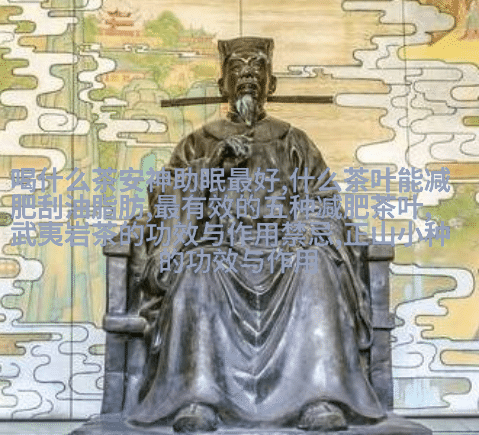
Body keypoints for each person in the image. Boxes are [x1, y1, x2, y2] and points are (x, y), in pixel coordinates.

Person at [129, 37, 385, 432]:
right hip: (220, 246)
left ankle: (317, 397)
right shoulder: (199, 142)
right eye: (238, 69)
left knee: (316, 267)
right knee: (197, 271)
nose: (248, 75)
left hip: (285, 247)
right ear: (222, 86)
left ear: (272, 84)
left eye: (257, 70)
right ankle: (198, 399)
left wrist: (304, 225)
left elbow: (323, 197)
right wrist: (212, 163)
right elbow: (166, 195)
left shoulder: (293, 140)